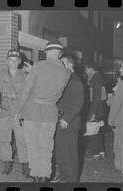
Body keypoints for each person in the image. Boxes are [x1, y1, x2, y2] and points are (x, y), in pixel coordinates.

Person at [15, 39, 71, 183]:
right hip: (51, 113)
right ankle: (45, 177)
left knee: (33, 146)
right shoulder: (66, 72)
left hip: (33, 111)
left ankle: (36, 177)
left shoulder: (39, 67)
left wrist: (18, 109)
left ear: (46, 52)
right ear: (60, 54)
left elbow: (26, 91)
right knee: (46, 148)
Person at [0, 49, 29, 177]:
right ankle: (7, 163)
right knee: (5, 140)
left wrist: (16, 96)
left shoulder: (24, 75)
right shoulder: (0, 74)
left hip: (18, 113)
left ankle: (25, 166)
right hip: (4, 112)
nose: (13, 62)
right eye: (11, 60)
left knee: (22, 141)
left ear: (19, 61)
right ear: (7, 61)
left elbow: (27, 95)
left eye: (16, 60)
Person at [52, 53, 84, 183]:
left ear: (71, 65)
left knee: (70, 155)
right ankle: (63, 176)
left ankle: (71, 180)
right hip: (60, 121)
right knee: (61, 153)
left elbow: (78, 104)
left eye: (63, 63)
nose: (60, 66)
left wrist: (66, 119)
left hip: (69, 124)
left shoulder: (75, 81)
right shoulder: (64, 79)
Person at [85, 62, 108, 159]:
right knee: (97, 131)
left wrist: (93, 113)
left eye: (86, 69)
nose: (86, 71)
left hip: (97, 109)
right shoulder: (99, 77)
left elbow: (96, 97)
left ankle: (96, 153)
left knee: (92, 131)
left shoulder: (96, 78)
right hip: (100, 108)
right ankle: (101, 151)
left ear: (91, 68)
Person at [107, 58, 123, 173]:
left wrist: (110, 120)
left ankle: (122, 167)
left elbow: (116, 104)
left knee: (121, 145)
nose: (121, 69)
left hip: (121, 119)